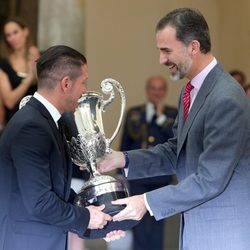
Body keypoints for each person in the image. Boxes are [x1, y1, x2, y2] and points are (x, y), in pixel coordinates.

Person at [98, 8, 250, 250]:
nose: (161, 60)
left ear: (193, 47)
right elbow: (175, 151)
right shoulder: (189, 92)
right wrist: (121, 159)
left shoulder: (226, 98)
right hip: (197, 228)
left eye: (166, 50)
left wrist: (145, 202)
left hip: (222, 234)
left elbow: (210, 180)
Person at [0, 45, 124, 250]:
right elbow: (40, 203)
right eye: (83, 82)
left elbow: (58, 194)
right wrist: (86, 218)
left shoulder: (49, 122)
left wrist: (102, 222)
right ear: (66, 83)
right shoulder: (32, 127)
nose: (85, 90)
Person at [120, 75, 177, 250]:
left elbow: (177, 141)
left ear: (165, 92)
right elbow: (126, 143)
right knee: (137, 222)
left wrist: (160, 117)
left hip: (161, 178)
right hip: (137, 177)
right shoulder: (135, 113)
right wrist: (119, 173)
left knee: (157, 223)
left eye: (160, 89)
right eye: (153, 88)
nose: (157, 93)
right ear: (147, 90)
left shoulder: (172, 114)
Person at [0, 17, 39, 124]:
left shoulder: (39, 56)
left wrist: (37, 64)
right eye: (8, 35)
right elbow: (9, 101)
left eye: (15, 32)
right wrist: (29, 78)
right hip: (15, 121)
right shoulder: (4, 64)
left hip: (38, 118)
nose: (12, 38)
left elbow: (47, 88)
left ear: (25, 31)